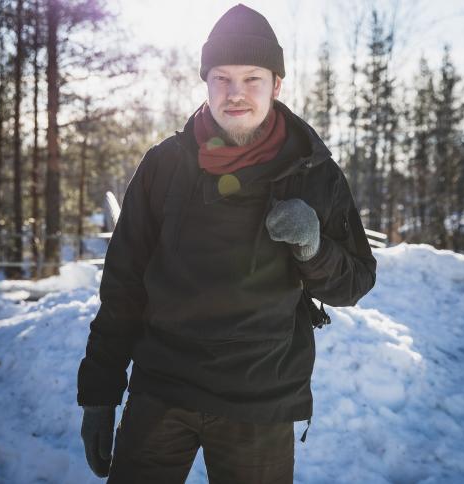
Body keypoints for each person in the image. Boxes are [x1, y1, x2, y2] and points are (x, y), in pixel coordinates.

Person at [77, 3, 377, 483]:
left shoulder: (313, 172)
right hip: (162, 389)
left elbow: (356, 282)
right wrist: (100, 392)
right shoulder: (165, 166)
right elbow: (123, 288)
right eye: (222, 78)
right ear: (206, 82)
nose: (235, 94)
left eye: (252, 78)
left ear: (277, 84)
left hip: (260, 400)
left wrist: (312, 247)